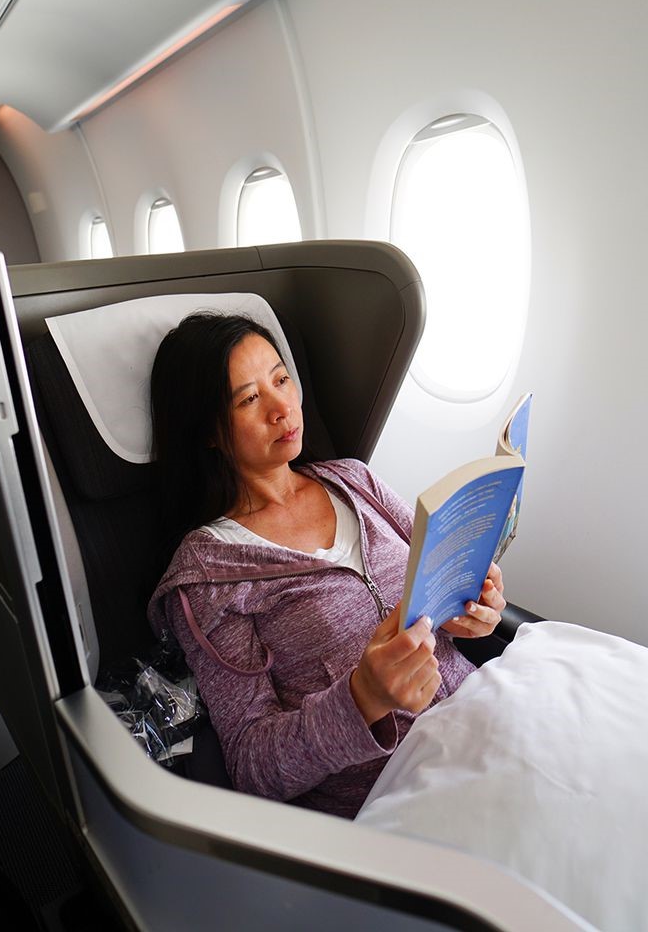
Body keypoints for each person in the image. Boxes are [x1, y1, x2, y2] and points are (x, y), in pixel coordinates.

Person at [147, 311, 506, 818]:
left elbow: (438, 585)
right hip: (400, 787)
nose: (281, 407)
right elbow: (253, 767)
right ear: (208, 432)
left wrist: (472, 606)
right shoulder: (209, 576)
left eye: (281, 379)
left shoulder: (355, 481)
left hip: (480, 709)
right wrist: (362, 699)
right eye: (250, 399)